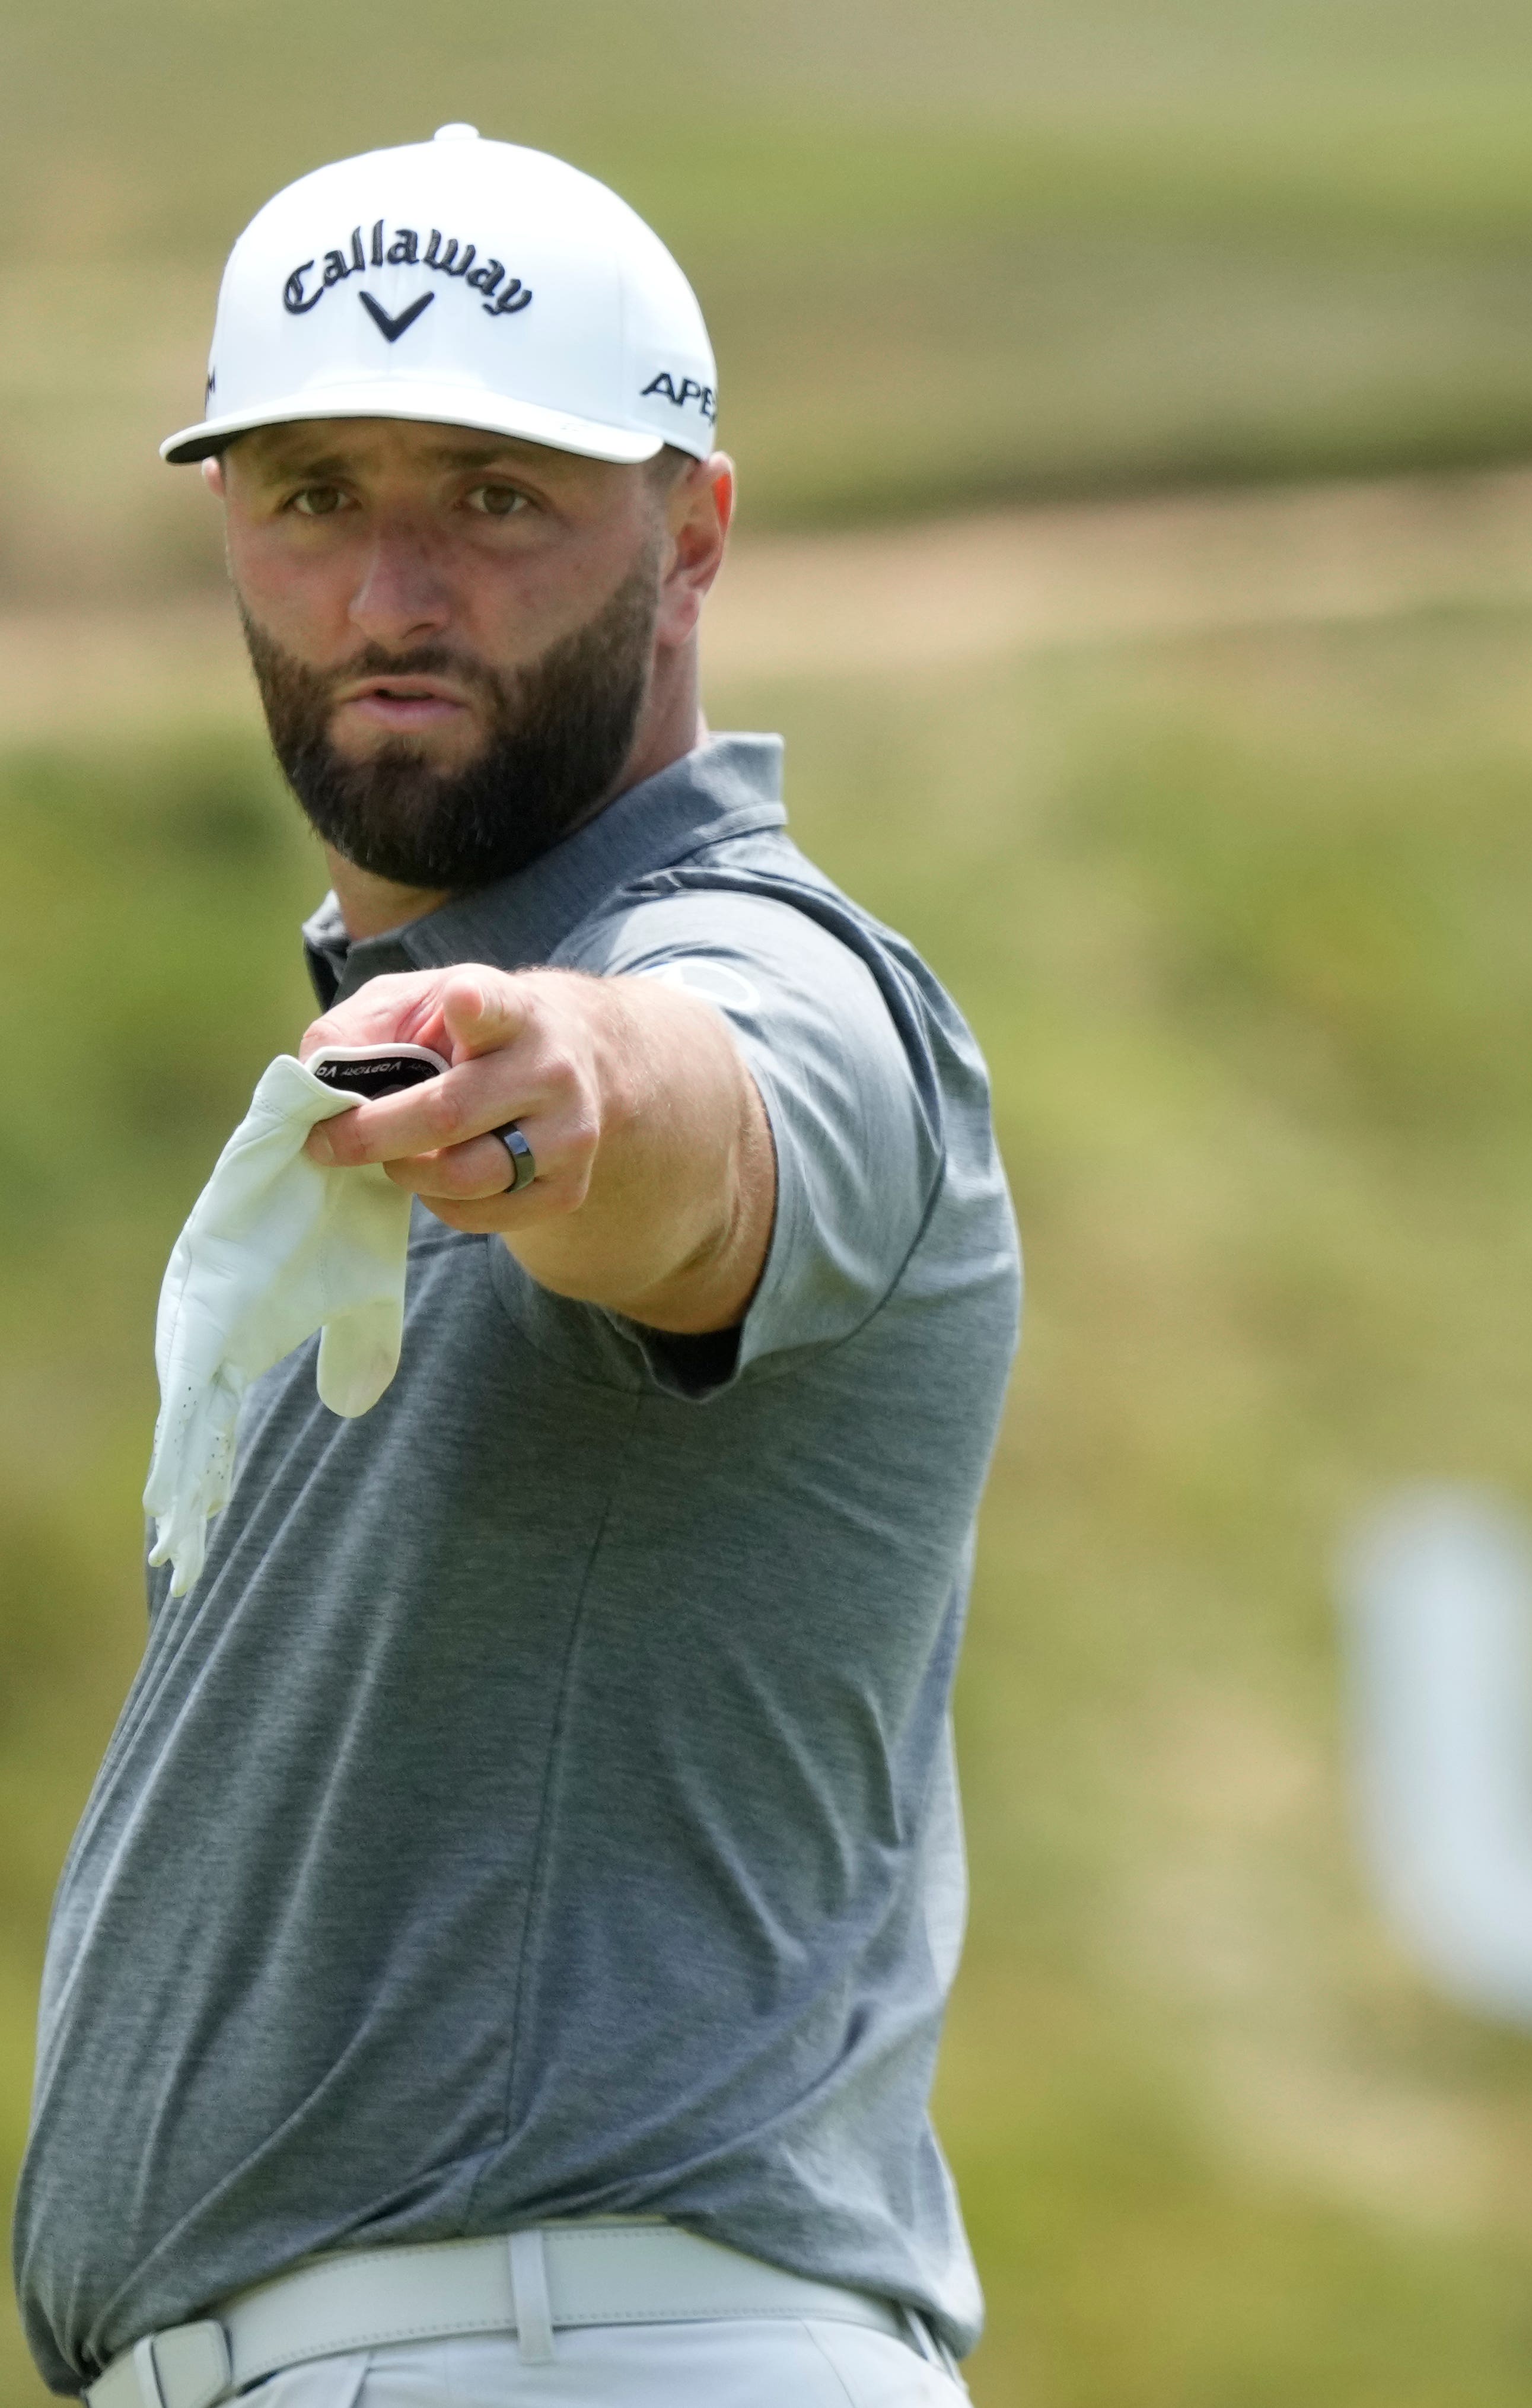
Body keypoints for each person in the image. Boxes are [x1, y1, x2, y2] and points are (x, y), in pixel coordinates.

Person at [11, 126, 1015, 2407]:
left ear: (695, 536)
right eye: (312, 498)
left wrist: (557, 1066)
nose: (387, 596)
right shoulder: (385, 1068)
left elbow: (710, 1116)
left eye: (491, 497)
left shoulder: (759, 977)